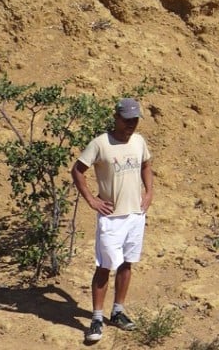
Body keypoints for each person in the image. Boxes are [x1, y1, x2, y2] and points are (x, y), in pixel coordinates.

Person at [71, 97, 154, 343]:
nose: (131, 125)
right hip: (111, 218)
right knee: (104, 266)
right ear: (116, 118)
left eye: (135, 120)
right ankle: (97, 318)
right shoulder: (100, 144)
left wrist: (149, 192)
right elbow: (77, 170)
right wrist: (92, 200)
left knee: (127, 263)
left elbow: (146, 165)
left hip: (136, 215)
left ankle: (118, 311)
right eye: (127, 120)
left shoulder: (139, 141)